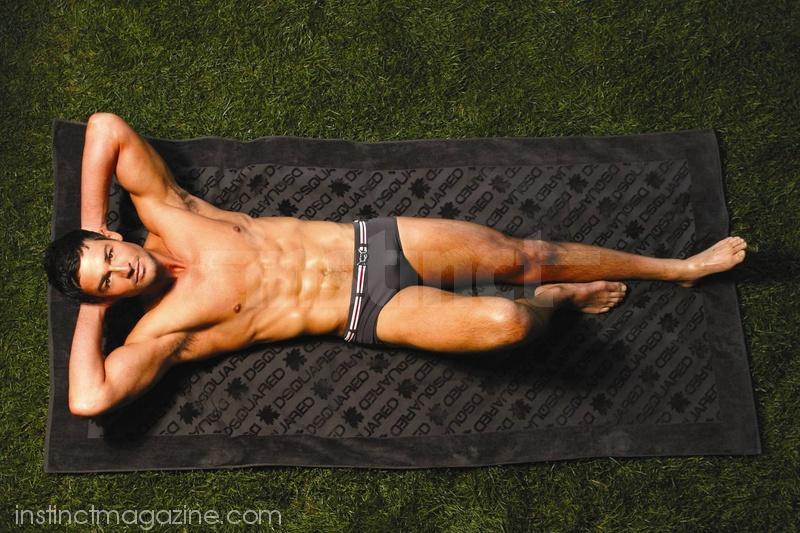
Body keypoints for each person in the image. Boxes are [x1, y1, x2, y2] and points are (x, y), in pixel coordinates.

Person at [43, 113, 748, 417]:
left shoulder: (171, 210)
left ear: (113, 236)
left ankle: (677, 267)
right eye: (107, 282)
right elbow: (89, 399)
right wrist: (92, 311)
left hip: (373, 245)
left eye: (108, 255)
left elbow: (104, 127)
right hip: (368, 311)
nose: (121, 269)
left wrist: (88, 223)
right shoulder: (163, 331)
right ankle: (561, 301)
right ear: (107, 298)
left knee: (520, 256)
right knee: (508, 323)